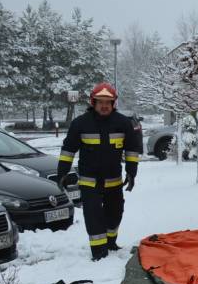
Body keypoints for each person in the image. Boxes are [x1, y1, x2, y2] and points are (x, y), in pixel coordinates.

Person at [57, 82, 142, 261]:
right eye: (100, 102)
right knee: (93, 215)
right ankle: (98, 251)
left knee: (115, 213)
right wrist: (62, 172)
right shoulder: (80, 124)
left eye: (108, 102)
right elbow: (68, 150)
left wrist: (131, 172)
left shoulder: (123, 123)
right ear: (93, 102)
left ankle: (111, 243)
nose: (104, 105)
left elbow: (132, 150)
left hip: (114, 180)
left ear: (113, 103)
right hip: (89, 182)